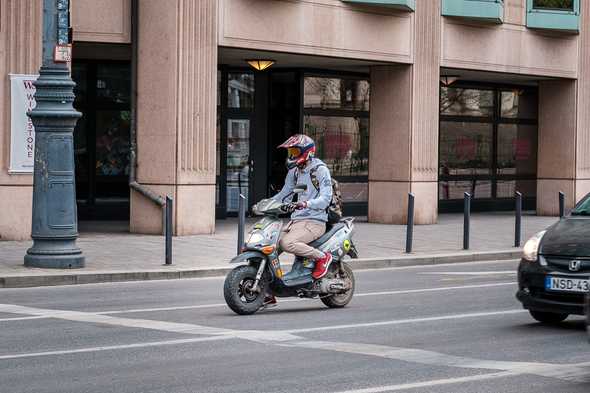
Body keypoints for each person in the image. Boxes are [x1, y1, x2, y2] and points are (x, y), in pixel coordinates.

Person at [272, 134, 334, 280]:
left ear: (307, 152)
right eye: (290, 152)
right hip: (296, 222)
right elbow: (284, 194)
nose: (292, 155)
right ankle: (268, 289)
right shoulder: (294, 172)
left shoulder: (320, 170)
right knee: (269, 246)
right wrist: (265, 204)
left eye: (295, 152)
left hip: (315, 222)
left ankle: (323, 258)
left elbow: (326, 198)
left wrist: (307, 203)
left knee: (287, 243)